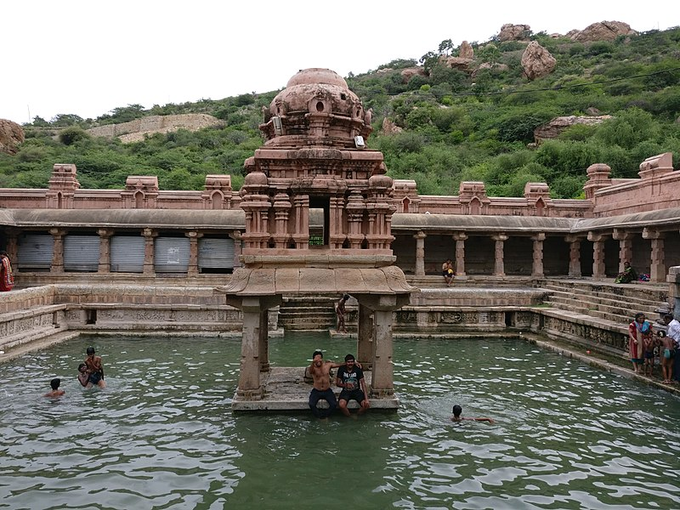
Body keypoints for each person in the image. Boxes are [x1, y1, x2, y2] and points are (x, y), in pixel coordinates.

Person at [307, 350, 344, 418]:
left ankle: (325, 416)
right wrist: (313, 362)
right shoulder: (312, 368)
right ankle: (319, 417)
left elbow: (338, 364)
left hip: (327, 390)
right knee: (311, 404)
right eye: (316, 359)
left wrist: (351, 363)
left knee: (333, 404)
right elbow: (310, 371)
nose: (318, 361)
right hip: (317, 390)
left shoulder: (327, 365)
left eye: (320, 359)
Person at [662, 313, 680, 382]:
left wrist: (676, 340)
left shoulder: (674, 324)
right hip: (673, 348)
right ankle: (672, 378)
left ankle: (670, 379)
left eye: (664, 320)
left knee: (669, 364)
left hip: (675, 346)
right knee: (672, 365)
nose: (664, 322)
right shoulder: (672, 325)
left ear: (667, 319)